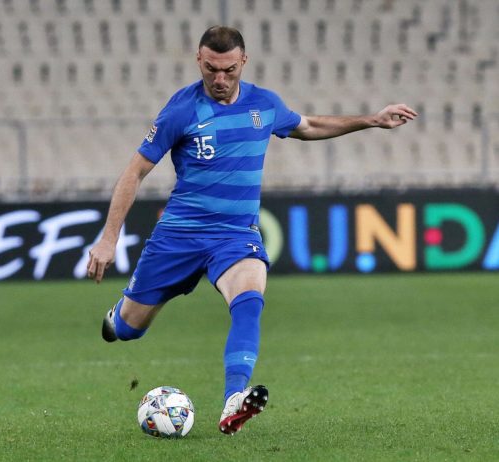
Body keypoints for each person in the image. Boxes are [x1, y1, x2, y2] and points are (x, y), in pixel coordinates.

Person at [86, 26, 417, 435]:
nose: (219, 79)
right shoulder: (181, 110)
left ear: (243, 61)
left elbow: (309, 126)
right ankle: (118, 318)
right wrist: (109, 238)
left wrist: (371, 120)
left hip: (235, 235)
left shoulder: (264, 104)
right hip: (179, 237)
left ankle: (234, 399)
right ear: (198, 60)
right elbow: (134, 172)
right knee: (127, 329)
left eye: (228, 70)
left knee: (249, 299)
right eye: (211, 69)